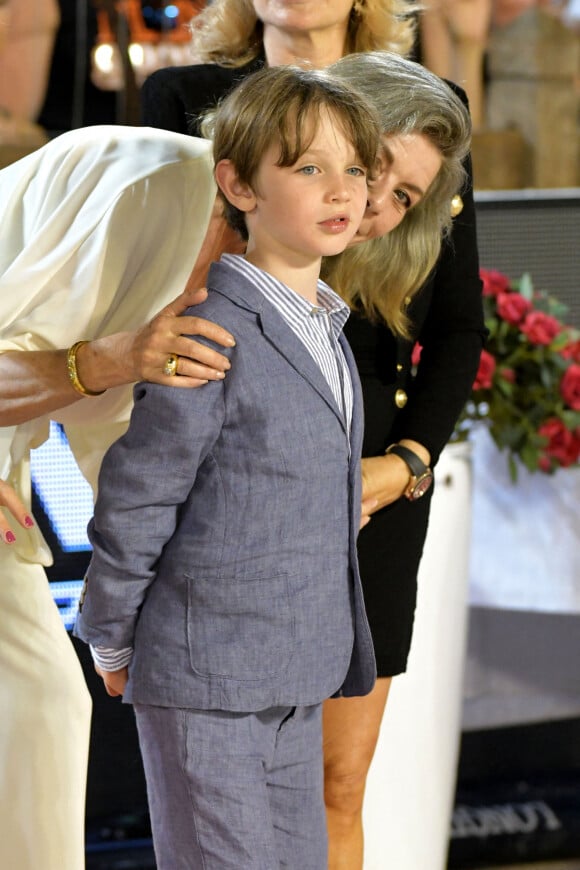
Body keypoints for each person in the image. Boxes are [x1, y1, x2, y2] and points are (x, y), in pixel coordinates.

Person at [140, 3, 485, 867]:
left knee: (337, 780)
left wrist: (403, 464)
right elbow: (157, 300)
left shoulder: (429, 112)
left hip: (376, 481)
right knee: (223, 784)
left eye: (395, 191)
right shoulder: (186, 97)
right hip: (236, 483)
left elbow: (456, 328)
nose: (369, 203)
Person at [74, 64, 381, 870]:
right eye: (308, 167)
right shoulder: (209, 329)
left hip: (296, 667)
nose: (339, 188)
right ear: (239, 185)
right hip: (204, 674)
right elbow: (141, 492)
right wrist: (110, 636)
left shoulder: (330, 330)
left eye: (353, 167)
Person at [0, 124, 235, 870]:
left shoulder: (272, 281)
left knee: (38, 710)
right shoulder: (144, 184)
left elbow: (125, 454)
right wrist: (103, 361)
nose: (365, 210)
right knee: (39, 704)